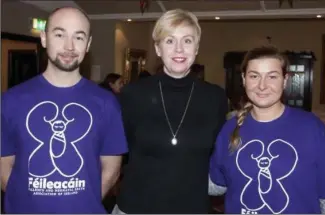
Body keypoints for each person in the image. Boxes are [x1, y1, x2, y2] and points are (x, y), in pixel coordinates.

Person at [1, 7, 128, 214]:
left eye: (78, 37)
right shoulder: (10, 101)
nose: (69, 46)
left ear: (88, 44)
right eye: (59, 35)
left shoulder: (107, 103)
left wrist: (83, 202)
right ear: (44, 39)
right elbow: (3, 168)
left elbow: (112, 170)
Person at [114, 9, 227, 214]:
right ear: (158, 49)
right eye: (169, 41)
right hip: (136, 208)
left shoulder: (215, 98)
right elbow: (119, 154)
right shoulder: (133, 95)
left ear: (197, 47)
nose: (179, 49)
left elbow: (219, 156)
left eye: (187, 41)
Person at [209, 46, 325, 214]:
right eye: (254, 76)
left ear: (285, 80)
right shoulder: (230, 127)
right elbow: (216, 186)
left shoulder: (312, 129)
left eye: (272, 76)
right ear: (243, 79)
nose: (262, 86)